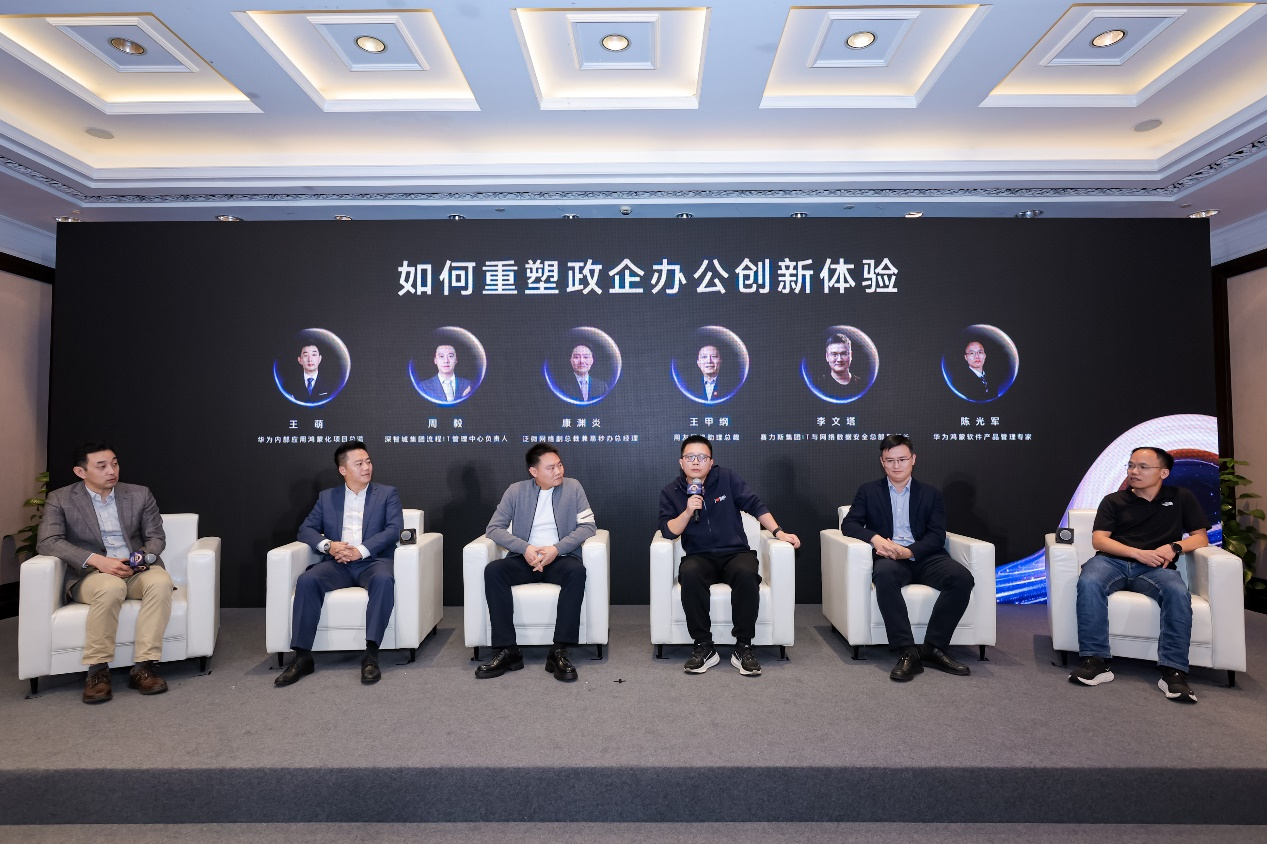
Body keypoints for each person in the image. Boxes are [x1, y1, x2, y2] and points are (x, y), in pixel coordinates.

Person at [1069, 446, 1209, 703]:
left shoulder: (1181, 497)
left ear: (1163, 472)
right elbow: (1099, 540)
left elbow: (1200, 538)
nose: (1134, 471)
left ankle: (1173, 671)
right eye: (1131, 465)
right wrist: (1137, 553)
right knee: (1089, 581)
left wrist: (1174, 547)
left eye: (1143, 467)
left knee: (1177, 592)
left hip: (1156, 568)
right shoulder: (1113, 500)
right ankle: (1096, 661)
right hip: (1112, 562)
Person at [36, 442, 173, 704]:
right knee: (111, 587)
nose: (111, 471)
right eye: (102, 466)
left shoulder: (139, 494)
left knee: (160, 582)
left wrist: (137, 560)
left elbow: (156, 537)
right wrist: (99, 561)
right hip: (90, 574)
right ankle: (98, 671)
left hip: (134, 569)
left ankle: (145, 666)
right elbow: (48, 541)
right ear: (80, 471)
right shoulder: (61, 498)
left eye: (115, 463)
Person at [658, 434, 801, 676]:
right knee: (690, 573)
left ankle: (743, 646)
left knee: (746, 573)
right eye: (690, 457)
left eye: (702, 457)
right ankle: (704, 646)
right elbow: (668, 531)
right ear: (681, 462)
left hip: (734, 552)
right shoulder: (671, 491)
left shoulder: (727, 478)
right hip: (699, 556)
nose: (696, 462)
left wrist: (779, 532)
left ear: (711, 462)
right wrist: (688, 511)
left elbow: (755, 505)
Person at [841, 434, 975, 682]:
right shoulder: (868, 491)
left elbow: (937, 535)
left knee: (961, 577)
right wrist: (875, 539)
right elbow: (849, 524)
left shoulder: (931, 494)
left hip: (924, 556)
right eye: (890, 460)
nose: (896, 465)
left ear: (913, 459)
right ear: (882, 462)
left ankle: (934, 647)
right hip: (889, 558)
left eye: (902, 459)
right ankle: (907, 651)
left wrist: (910, 551)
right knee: (884, 575)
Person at [276, 441, 403, 687]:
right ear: (343, 470)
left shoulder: (387, 494)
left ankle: (371, 655)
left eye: (368, 462)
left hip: (373, 561)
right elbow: (306, 529)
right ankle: (302, 657)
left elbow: (393, 529)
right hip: (338, 563)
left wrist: (360, 551)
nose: (367, 467)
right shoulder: (327, 497)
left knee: (384, 579)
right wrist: (329, 546)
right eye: (359, 463)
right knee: (307, 580)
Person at [477, 444, 596, 682]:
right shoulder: (516, 491)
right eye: (550, 468)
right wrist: (526, 549)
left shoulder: (573, 487)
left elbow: (588, 526)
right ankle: (508, 650)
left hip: (560, 559)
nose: (558, 471)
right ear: (534, 472)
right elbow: (494, 528)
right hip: (524, 560)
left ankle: (558, 651)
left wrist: (556, 549)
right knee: (494, 571)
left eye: (559, 465)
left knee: (577, 572)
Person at [815, 333, 865, 399]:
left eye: (844, 354)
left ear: (851, 355)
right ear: (827, 357)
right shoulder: (818, 385)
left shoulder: (862, 385)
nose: (839, 359)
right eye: (834, 354)